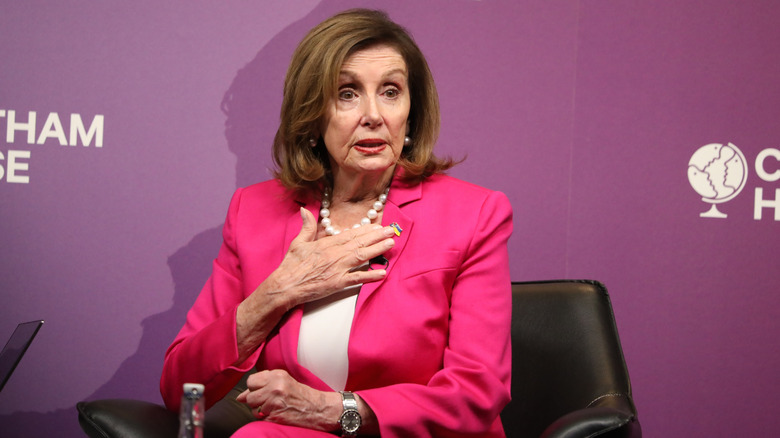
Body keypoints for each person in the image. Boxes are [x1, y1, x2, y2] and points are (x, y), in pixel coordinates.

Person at [160, 8, 513, 437]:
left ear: (411, 111)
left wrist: (335, 410)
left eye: (390, 91)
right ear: (311, 114)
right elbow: (181, 388)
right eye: (347, 93)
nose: (373, 115)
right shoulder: (253, 212)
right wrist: (274, 295)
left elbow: (476, 393)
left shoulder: (472, 215)